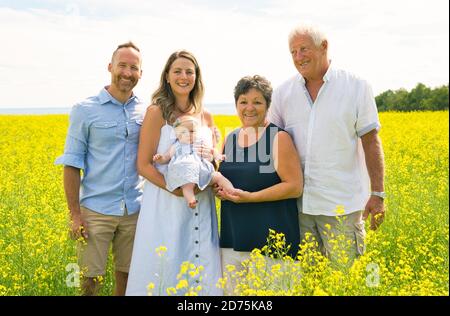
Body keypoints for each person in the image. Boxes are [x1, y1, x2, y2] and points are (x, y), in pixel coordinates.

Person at [267, 23, 386, 260]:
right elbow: (268, 140)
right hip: (298, 209)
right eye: (293, 52)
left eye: (303, 49)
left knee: (345, 281)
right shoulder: (283, 93)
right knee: (309, 284)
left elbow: (371, 141)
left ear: (324, 46)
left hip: (341, 207)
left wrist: (378, 194)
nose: (298, 57)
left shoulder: (356, 86)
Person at [126, 50, 222, 296]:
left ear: (196, 77)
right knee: (167, 264)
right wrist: (176, 189)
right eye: (177, 71)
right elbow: (144, 165)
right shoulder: (156, 112)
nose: (183, 76)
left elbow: (213, 158)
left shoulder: (205, 115)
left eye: (189, 72)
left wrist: (211, 167)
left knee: (201, 269)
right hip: (165, 202)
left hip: (200, 200)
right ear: (167, 77)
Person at [54, 42, 145, 296]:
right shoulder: (85, 110)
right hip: (96, 210)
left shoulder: (146, 110)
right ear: (110, 67)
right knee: (89, 281)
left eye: (134, 67)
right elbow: (72, 163)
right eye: (122, 65)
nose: (127, 72)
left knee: (128, 278)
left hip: (134, 210)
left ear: (141, 73)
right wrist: (75, 214)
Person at [216, 75, 303, 294]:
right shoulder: (230, 139)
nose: (249, 108)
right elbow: (222, 177)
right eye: (243, 101)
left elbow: (294, 186)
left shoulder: (278, 138)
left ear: (267, 105)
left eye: (257, 101)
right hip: (233, 239)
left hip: (273, 244)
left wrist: (251, 198)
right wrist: (218, 189)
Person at [153, 114, 233, 209]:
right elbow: (166, 157)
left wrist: (218, 156)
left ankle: (232, 191)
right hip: (186, 172)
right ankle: (191, 200)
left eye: (192, 131)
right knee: (187, 186)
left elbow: (212, 150)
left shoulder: (200, 142)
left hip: (202, 172)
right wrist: (160, 158)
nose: (188, 134)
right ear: (177, 135)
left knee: (218, 176)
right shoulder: (176, 146)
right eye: (183, 132)